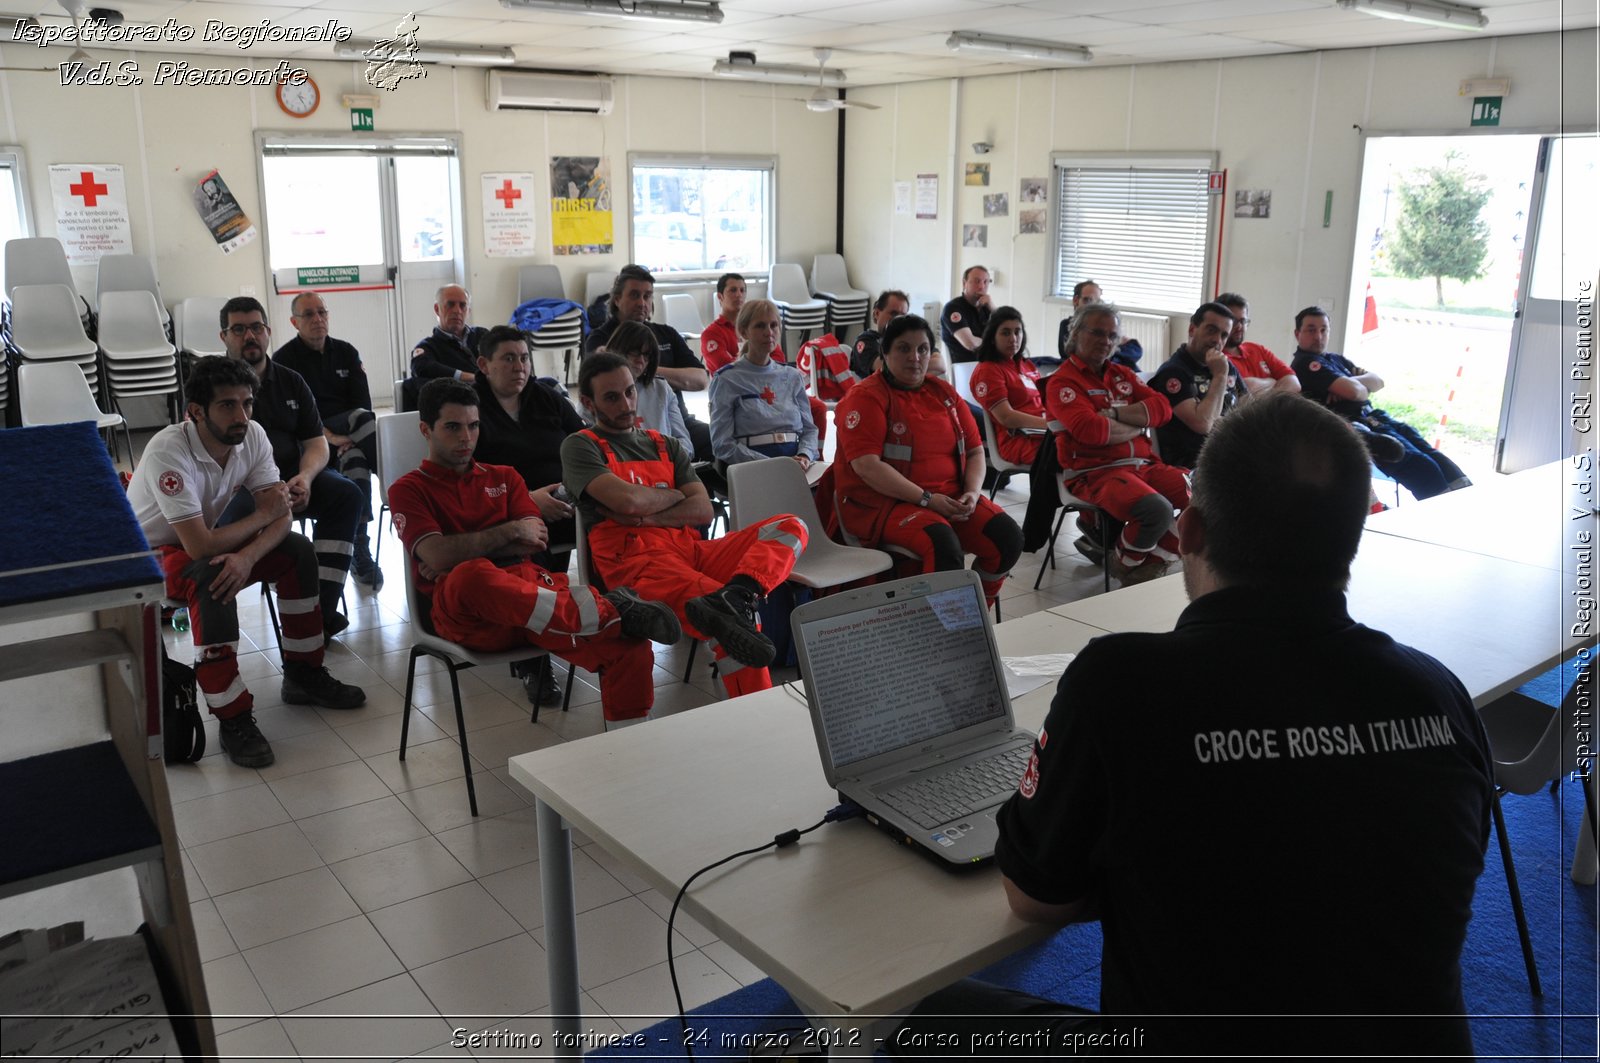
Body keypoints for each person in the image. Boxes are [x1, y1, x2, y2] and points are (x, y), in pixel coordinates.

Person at [896, 393, 1492, 1058]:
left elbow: (1034, 898)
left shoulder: (1121, 684)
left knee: (922, 1015)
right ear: (1352, 538)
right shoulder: (1440, 695)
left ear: (1191, 532)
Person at [388, 379, 682, 727]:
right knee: (472, 575)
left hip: (534, 607)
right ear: (426, 429)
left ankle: (632, 750)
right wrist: (509, 533)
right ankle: (612, 610)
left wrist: (460, 550)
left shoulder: (505, 477)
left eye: (474, 425)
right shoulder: (408, 489)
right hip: (469, 616)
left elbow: (536, 539)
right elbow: (439, 556)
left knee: (630, 649)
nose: (466, 437)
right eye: (453, 427)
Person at [126, 357, 366, 768]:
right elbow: (201, 545)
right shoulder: (169, 449)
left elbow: (283, 514)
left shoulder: (252, 435)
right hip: (144, 558)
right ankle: (232, 716)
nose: (242, 415)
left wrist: (248, 555)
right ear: (196, 412)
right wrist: (254, 528)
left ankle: (303, 674)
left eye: (247, 403)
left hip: (202, 543)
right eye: (227, 406)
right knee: (215, 575)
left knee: (295, 551)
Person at [561, 352, 807, 698]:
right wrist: (675, 497)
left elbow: (703, 510)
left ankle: (741, 590)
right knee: (730, 624)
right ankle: (758, 716)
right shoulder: (580, 446)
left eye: (630, 391)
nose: (626, 403)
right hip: (638, 568)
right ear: (587, 402)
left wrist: (646, 514)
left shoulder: (665, 444)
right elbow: (627, 502)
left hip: (692, 551)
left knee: (790, 526)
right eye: (611, 397)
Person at [834, 314, 1022, 608]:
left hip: (949, 499)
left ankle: (974, 614)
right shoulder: (866, 397)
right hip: (887, 505)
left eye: (923, 349)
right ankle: (942, 632)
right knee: (942, 545)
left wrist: (973, 493)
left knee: (1008, 537)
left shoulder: (943, 392)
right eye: (904, 349)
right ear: (885, 353)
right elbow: (866, 466)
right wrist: (926, 499)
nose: (915, 357)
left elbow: (974, 451)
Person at [219, 296, 365, 636]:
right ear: (224, 337)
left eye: (256, 327)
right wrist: (269, 491)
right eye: (238, 329)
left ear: (268, 331)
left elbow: (316, 443)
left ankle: (321, 612)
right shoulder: (210, 385)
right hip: (238, 491)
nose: (249, 336)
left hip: (293, 479)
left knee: (347, 494)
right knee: (232, 516)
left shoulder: (291, 381)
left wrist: (307, 476)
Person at [470, 325, 587, 707]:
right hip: (499, 506)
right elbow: (466, 476)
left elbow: (584, 443)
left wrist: (566, 489)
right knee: (530, 541)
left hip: (562, 498)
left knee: (607, 526)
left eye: (524, 357)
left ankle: (611, 623)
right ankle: (534, 662)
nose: (519, 366)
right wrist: (527, 500)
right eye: (508, 358)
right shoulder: (470, 407)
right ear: (484, 364)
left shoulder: (547, 398)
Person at [1045, 303, 1188, 584]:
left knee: (1206, 492)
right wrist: (1139, 423)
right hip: (1097, 473)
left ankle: (1148, 563)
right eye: (1097, 332)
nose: (1105, 341)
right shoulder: (1062, 382)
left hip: (1144, 466)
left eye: (1112, 335)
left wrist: (1114, 415)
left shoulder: (1121, 374)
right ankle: (1126, 564)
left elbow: (1162, 409)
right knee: (1156, 510)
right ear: (1075, 333)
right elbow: (1091, 431)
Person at [1290, 306, 1471, 500]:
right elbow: (1354, 391)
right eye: (1311, 330)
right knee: (1422, 465)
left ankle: (1464, 498)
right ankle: (1440, 509)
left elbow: (1377, 381)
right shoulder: (1306, 364)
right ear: (1297, 333)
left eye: (1324, 329)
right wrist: (1353, 385)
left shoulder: (1335, 359)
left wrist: (1349, 384)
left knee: (1435, 455)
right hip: (1355, 426)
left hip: (1375, 416)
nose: (1318, 336)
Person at [271, 290, 383, 590]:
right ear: (295, 322)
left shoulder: (346, 352)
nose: (318, 319)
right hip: (310, 446)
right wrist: (331, 438)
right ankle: (396, 480)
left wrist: (347, 441)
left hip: (349, 435)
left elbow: (364, 404)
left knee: (358, 460)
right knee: (360, 422)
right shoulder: (284, 361)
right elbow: (292, 423)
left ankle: (359, 547)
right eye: (309, 314)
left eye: (322, 312)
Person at [584, 264, 713, 461]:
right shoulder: (600, 337)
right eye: (634, 295)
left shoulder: (666, 333)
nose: (642, 303)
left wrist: (647, 369)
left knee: (716, 440)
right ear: (617, 299)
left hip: (677, 419)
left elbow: (700, 380)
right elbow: (604, 365)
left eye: (647, 296)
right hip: (628, 425)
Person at [708, 298, 819, 468]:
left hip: (796, 463)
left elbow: (809, 430)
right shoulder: (726, 379)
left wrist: (804, 455)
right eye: (760, 326)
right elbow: (722, 444)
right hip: (752, 466)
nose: (769, 332)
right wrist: (770, 466)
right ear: (744, 333)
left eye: (774, 325)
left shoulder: (791, 376)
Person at [1147, 301, 1245, 470]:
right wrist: (1220, 376)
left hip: (1229, 451)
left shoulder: (1225, 365)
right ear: (1192, 329)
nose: (1217, 340)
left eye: (1223, 335)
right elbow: (1203, 424)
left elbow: (1248, 407)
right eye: (1211, 330)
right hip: (1193, 465)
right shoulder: (1173, 373)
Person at [969, 307, 1048, 467]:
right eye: (1005, 333)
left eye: (1017, 332)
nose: (1013, 339)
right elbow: (1007, 417)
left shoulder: (1026, 365)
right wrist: (1049, 424)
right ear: (993, 337)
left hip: (1043, 434)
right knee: (1073, 453)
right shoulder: (988, 370)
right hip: (1017, 440)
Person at [600, 321, 692, 451]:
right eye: (635, 352)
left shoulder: (662, 389)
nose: (641, 360)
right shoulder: (596, 390)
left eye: (647, 355)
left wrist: (666, 459)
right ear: (617, 350)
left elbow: (685, 443)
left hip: (663, 464)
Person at [404, 284, 485, 409]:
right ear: (437, 309)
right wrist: (467, 377)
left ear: (468, 311)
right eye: (450, 304)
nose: (457, 310)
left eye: (462, 305)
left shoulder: (483, 336)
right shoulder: (427, 347)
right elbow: (421, 367)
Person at [1215, 292, 1300, 399]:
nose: (1240, 326)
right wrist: (1272, 382)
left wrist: (1262, 391)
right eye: (1234, 321)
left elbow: (1294, 383)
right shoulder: (1217, 358)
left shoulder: (1257, 349)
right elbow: (1244, 390)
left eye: (1243, 321)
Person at [1056, 279, 1140, 369]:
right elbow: (1066, 353)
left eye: (1112, 336)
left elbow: (1135, 351)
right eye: (1087, 300)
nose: (1092, 305)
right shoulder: (1066, 325)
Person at [850, 289, 910, 379]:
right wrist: (918, 368)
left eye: (903, 316)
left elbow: (938, 363)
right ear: (877, 313)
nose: (898, 319)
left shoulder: (911, 339)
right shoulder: (866, 341)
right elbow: (887, 369)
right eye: (893, 313)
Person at [940, 265, 992, 365]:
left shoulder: (986, 307)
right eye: (977, 281)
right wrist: (995, 345)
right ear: (964, 283)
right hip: (966, 366)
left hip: (989, 364)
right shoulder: (953, 308)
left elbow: (1006, 329)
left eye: (985, 282)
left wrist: (992, 307)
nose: (981, 286)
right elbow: (970, 343)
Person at [700, 272, 747, 374]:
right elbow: (727, 369)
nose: (739, 294)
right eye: (733, 290)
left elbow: (778, 359)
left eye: (742, 290)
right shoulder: (711, 333)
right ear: (720, 296)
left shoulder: (755, 326)